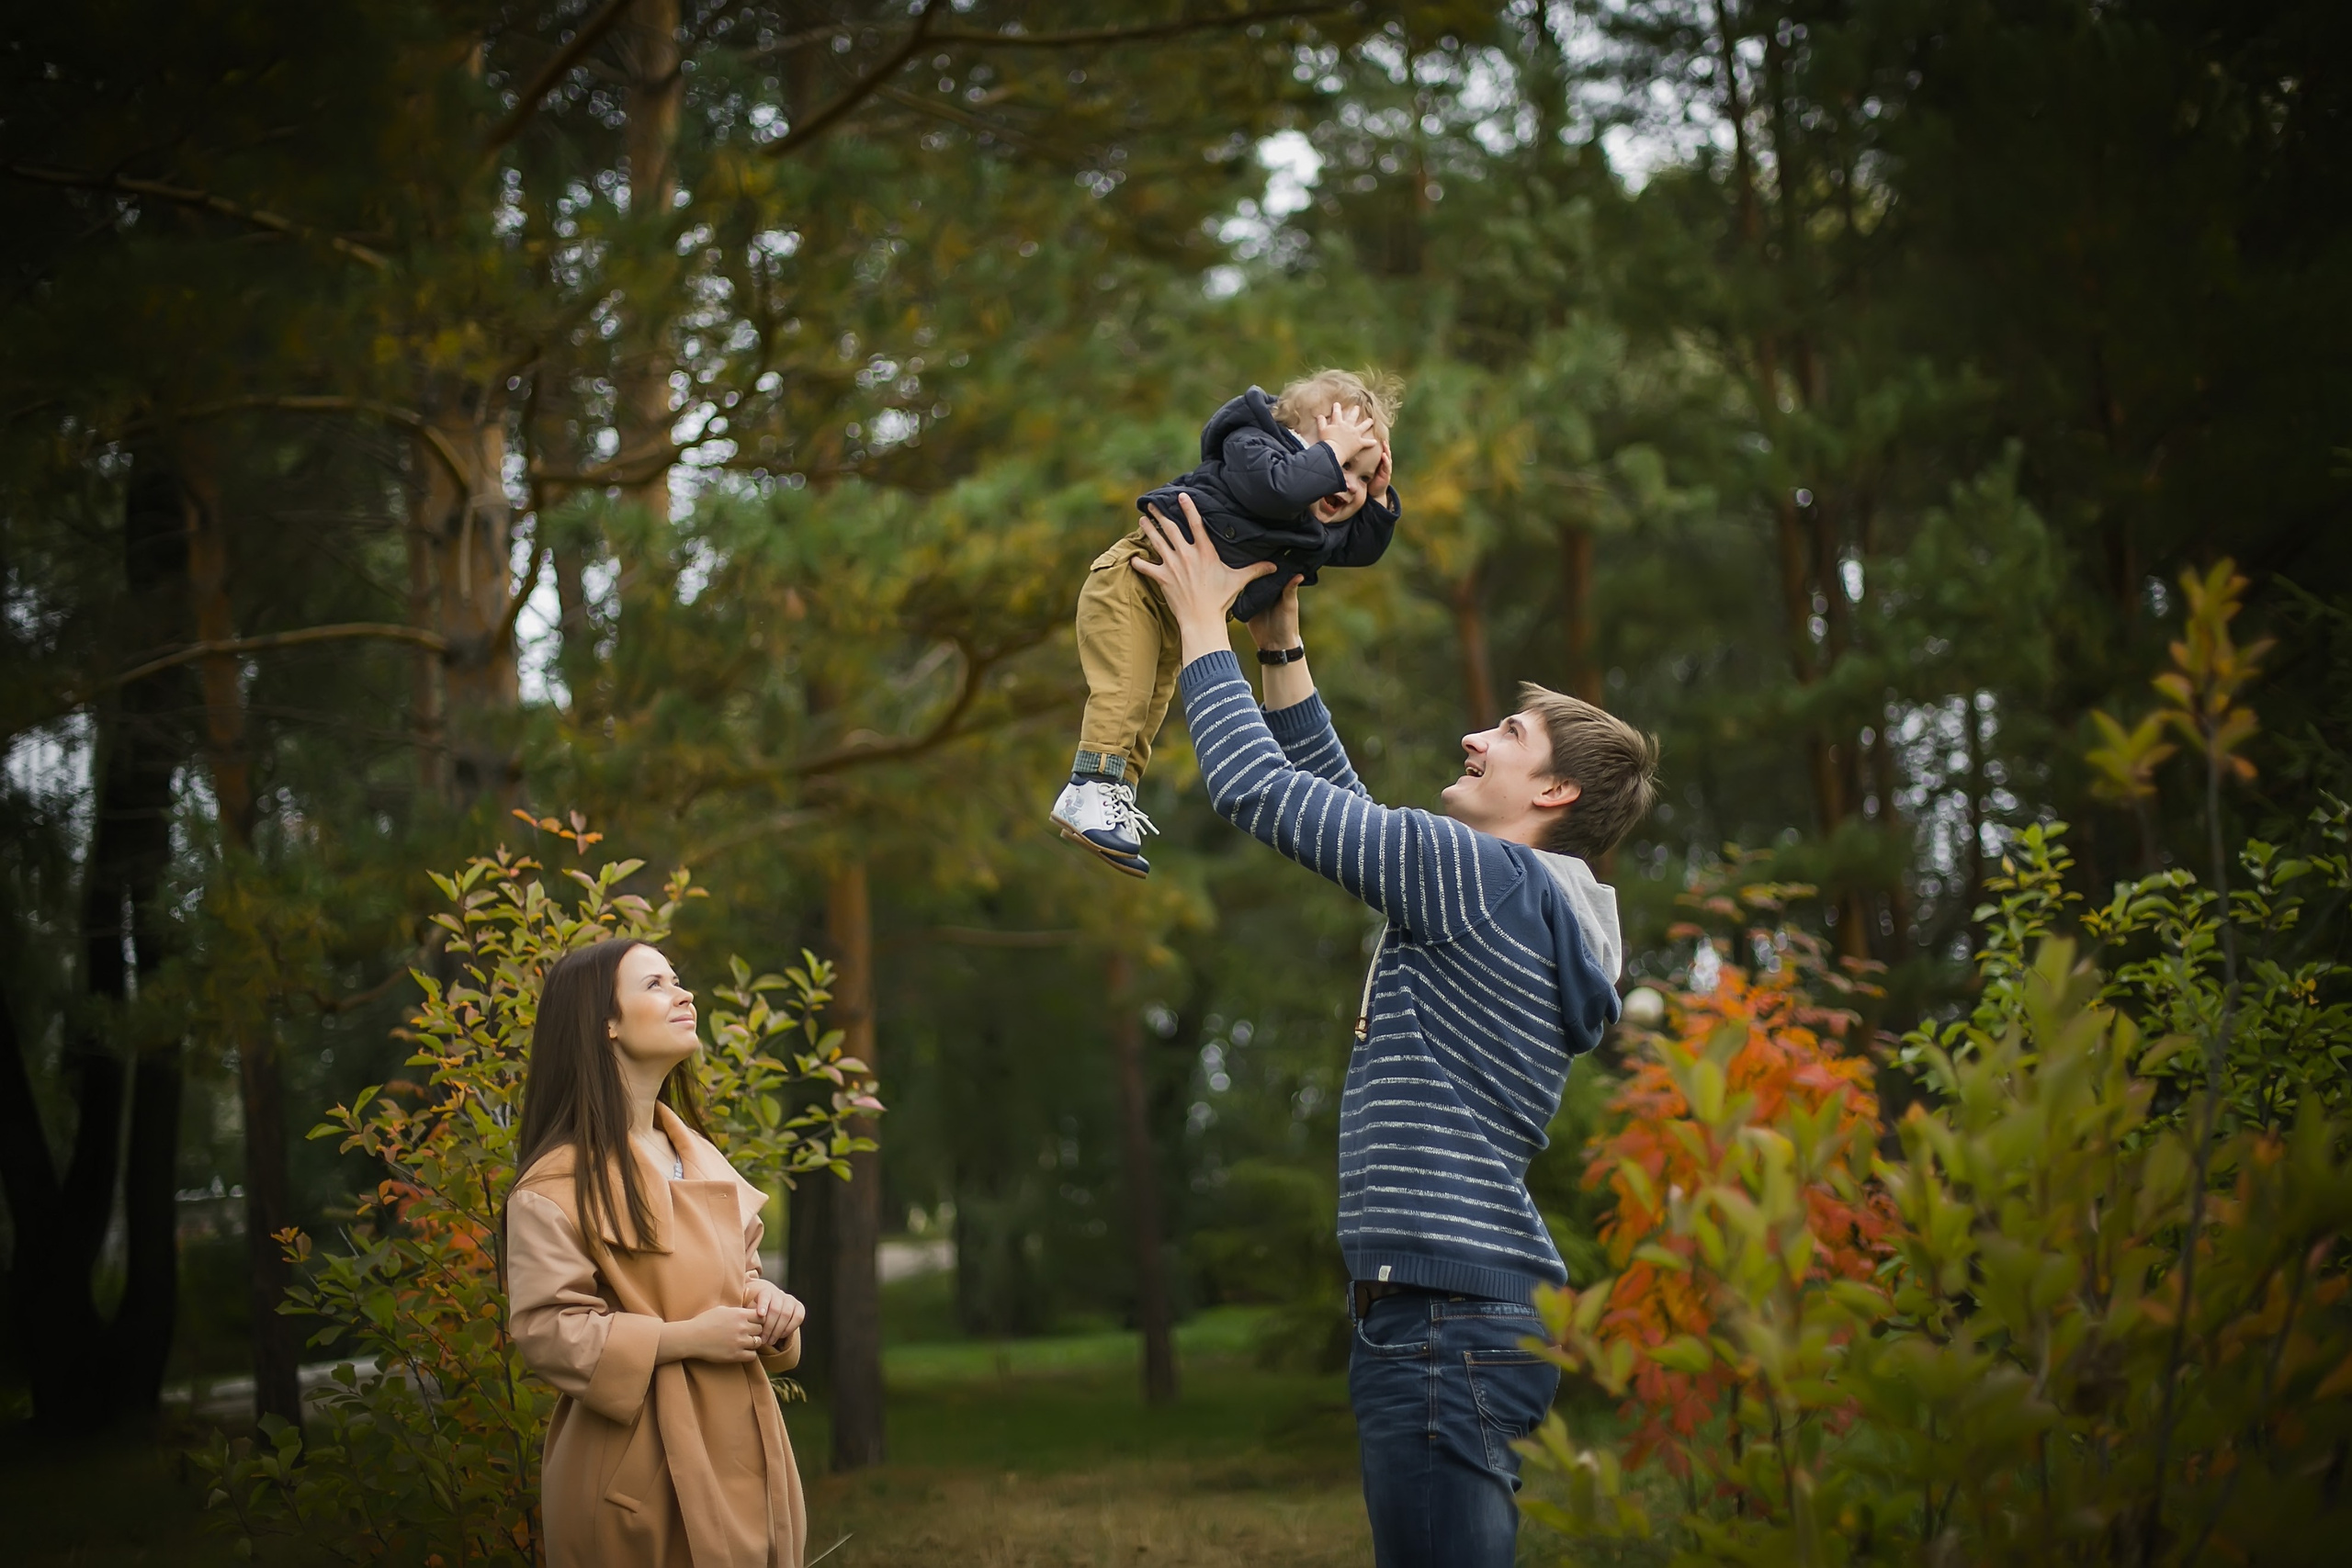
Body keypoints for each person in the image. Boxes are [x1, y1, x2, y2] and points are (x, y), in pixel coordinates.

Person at [1130, 495, 1657, 1568]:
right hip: (1462, 1316)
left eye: (1506, 734)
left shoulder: (1483, 877)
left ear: (1553, 789)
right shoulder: (1526, 898)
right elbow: (1343, 814)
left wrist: (1199, 624)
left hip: (1440, 1325)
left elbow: (1256, 792)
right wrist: (1277, 637)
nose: (1473, 736)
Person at [506, 939, 810, 1568]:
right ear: (605, 1023)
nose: (684, 992)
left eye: (678, 978)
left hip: (740, 1456)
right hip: (635, 1480)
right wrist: (683, 1339)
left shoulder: (695, 1155)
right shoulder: (556, 1185)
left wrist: (769, 1304)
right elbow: (546, 1330)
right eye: (655, 984)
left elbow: (739, 1280)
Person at [1051, 368, 1405, 877]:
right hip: (1133, 580)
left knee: (1148, 707)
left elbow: (1361, 550)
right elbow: (1279, 489)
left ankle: (1110, 798)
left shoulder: (1312, 521)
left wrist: (1378, 502)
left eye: (1362, 474)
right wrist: (1329, 457)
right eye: (1341, 459)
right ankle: (1088, 787)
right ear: (1291, 437)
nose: (1345, 482)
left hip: (1175, 611)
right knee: (1124, 694)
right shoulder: (1252, 448)